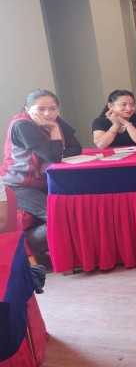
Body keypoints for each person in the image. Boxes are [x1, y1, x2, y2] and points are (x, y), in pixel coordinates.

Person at [1, 89, 82, 258]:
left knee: (76, 207)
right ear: (27, 109)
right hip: (17, 185)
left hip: (44, 182)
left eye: (53, 108)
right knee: (59, 216)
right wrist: (53, 129)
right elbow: (54, 157)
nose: (47, 113)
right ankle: (23, 247)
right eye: (40, 109)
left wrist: (54, 156)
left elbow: (76, 148)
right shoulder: (23, 125)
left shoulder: (54, 118)